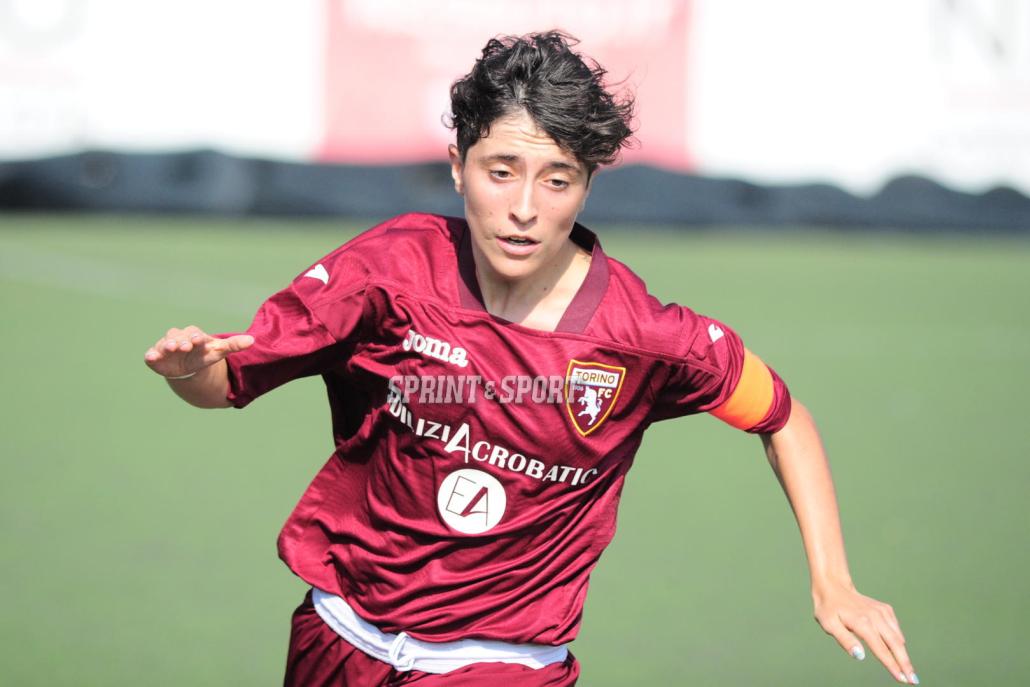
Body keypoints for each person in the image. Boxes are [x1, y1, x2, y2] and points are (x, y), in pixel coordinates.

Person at [143, 31, 918, 686]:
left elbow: (781, 415)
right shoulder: (388, 270)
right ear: (458, 165)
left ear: (587, 185)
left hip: (502, 665)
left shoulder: (644, 336)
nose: (523, 208)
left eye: (557, 180)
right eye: (501, 171)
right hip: (337, 640)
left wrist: (833, 578)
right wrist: (188, 371)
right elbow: (228, 379)